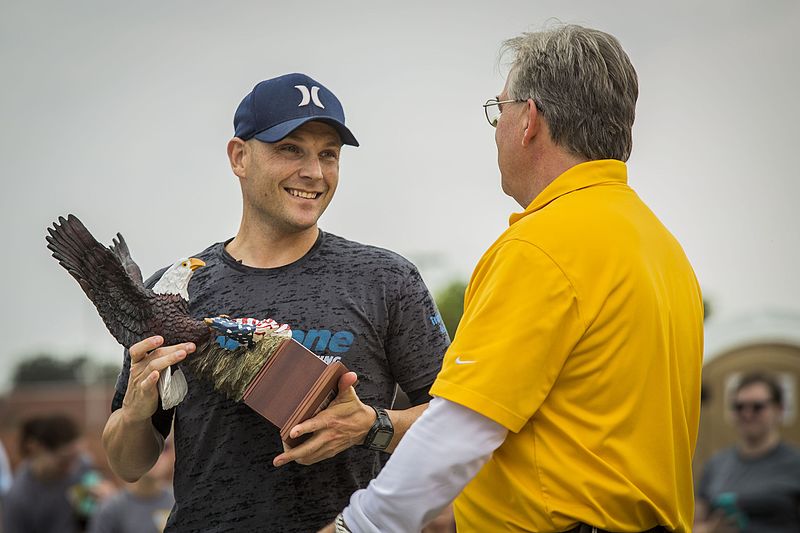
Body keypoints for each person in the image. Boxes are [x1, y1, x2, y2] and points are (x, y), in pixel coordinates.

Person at [323, 24, 704, 533]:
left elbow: (462, 428)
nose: (496, 127)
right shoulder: (661, 246)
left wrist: (360, 525)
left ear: (529, 119)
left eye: (498, 110)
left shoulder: (542, 245)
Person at [101, 72, 450, 532]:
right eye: (291, 149)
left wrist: (371, 425)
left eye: (329, 154)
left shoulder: (385, 279)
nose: (315, 172)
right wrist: (136, 411)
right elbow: (128, 465)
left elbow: (453, 422)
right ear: (239, 156)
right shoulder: (176, 289)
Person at [695, 372, 800, 533]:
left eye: (757, 407)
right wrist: (709, 530)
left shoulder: (795, 464)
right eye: (739, 407)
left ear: (779, 409)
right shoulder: (716, 464)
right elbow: (694, 524)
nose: (747, 414)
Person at [3, 413, 113, 533]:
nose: (73, 468)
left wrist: (109, 501)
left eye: (77, 457)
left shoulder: (83, 467)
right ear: (36, 449)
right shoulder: (18, 497)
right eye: (64, 461)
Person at [89, 439, 176, 533]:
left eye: (165, 448)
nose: (158, 455)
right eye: (148, 447)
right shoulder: (111, 509)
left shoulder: (179, 502)